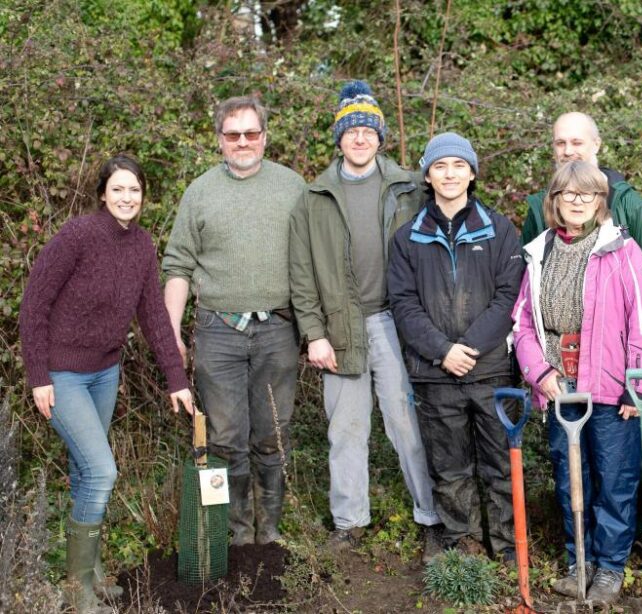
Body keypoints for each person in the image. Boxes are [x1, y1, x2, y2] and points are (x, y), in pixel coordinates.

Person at [19, 154, 195, 613]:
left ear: (143, 196)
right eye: (117, 189)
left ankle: (91, 575)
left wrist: (176, 379)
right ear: (102, 193)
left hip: (105, 372)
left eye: (134, 190)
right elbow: (34, 304)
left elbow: (154, 316)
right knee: (101, 471)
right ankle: (77, 592)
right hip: (62, 373)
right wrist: (38, 375)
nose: (126, 198)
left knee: (84, 472)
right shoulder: (77, 236)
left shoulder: (142, 246)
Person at [288, 81, 442, 555]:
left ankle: (432, 516)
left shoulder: (409, 188)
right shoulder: (314, 198)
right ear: (339, 137)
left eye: (368, 129)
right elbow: (301, 272)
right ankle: (349, 522)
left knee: (407, 424)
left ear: (381, 136)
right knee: (345, 429)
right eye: (351, 129)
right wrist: (313, 333)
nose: (360, 138)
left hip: (399, 326)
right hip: (340, 329)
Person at [512, 160, 642, 604]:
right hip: (560, 386)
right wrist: (540, 374)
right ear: (553, 202)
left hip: (613, 386)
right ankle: (581, 563)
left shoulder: (622, 251)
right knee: (570, 478)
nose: (577, 202)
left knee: (614, 478)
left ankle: (610, 569)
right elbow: (521, 323)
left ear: (600, 202)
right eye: (568, 194)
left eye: (587, 195)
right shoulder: (540, 253)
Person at [163, 96, 306, 546]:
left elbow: (314, 260)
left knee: (271, 434)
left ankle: (271, 534)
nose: (242, 142)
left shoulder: (293, 187)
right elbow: (178, 265)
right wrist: (171, 334)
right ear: (219, 140)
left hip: (278, 329)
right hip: (219, 331)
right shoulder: (200, 192)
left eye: (251, 133)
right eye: (232, 134)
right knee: (225, 439)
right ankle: (237, 536)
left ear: (264, 136)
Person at [388, 132, 523, 560]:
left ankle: (505, 546)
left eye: (458, 166)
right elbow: (403, 304)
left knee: (501, 463)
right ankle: (460, 543)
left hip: (491, 370)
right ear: (427, 174)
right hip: (435, 372)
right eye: (440, 166)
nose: (450, 174)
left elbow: (508, 297)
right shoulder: (407, 237)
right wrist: (443, 350)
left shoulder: (500, 230)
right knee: (449, 468)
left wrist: (471, 347)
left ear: (472, 173)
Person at [521, 111, 642, 274]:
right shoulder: (540, 206)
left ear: (596, 144)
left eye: (577, 143)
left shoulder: (627, 203)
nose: (567, 151)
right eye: (560, 143)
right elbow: (524, 270)